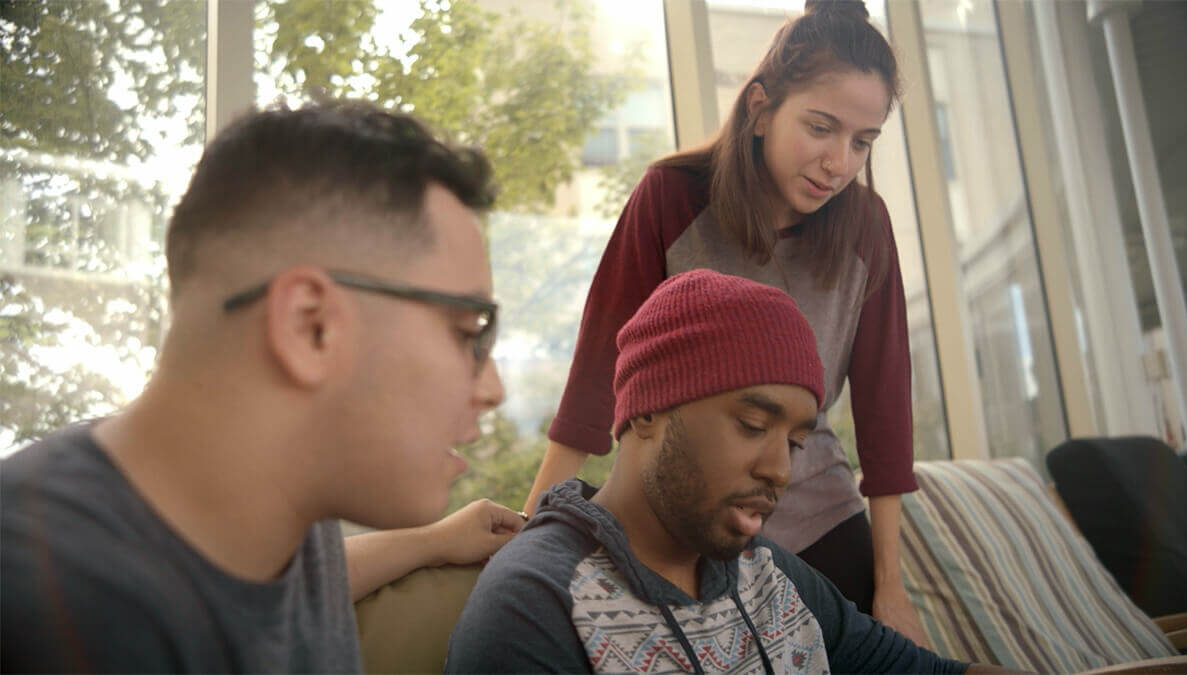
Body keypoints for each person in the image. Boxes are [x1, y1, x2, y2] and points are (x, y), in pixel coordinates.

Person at [1, 101, 525, 672]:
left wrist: (433, 542)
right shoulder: (51, 608)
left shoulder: (285, 514)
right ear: (310, 327)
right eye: (467, 331)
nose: (491, 387)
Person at [522, 0, 927, 644]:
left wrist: (892, 587)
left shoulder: (867, 226)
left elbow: (885, 406)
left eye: (862, 141)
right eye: (821, 128)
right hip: (680, 524)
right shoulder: (671, 196)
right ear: (761, 107)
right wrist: (531, 534)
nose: (839, 163)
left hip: (818, 515)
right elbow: (598, 374)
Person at [449, 270, 1005, 674]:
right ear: (647, 411)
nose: (779, 470)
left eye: (794, 441)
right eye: (751, 425)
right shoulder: (538, 604)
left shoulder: (764, 571)